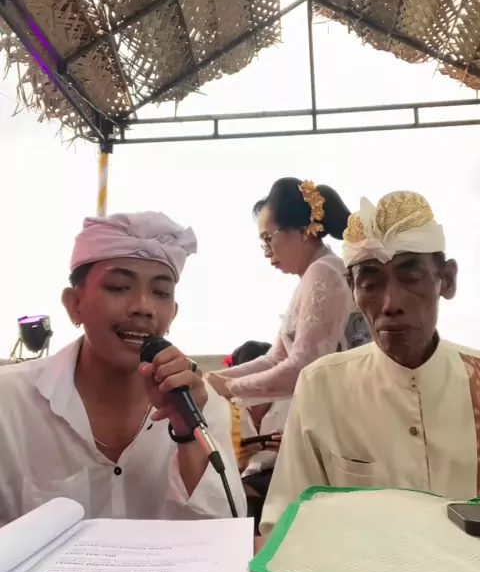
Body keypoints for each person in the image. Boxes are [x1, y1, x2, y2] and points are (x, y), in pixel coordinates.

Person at [0, 211, 246, 526]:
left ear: (173, 313)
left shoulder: (200, 404)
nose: (143, 306)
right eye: (118, 287)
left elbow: (225, 533)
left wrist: (188, 435)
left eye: (161, 292)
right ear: (74, 304)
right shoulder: (10, 402)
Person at [260, 189, 480, 535]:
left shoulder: (476, 380)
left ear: (447, 280)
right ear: (352, 290)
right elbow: (285, 526)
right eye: (370, 283)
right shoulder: (322, 388)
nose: (391, 303)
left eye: (411, 277)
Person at [207, 178, 370, 405]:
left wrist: (227, 387)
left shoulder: (324, 271)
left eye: (268, 239)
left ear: (303, 231)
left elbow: (304, 367)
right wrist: (213, 379)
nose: (266, 252)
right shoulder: (315, 273)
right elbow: (275, 359)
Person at [225, 340, 290, 532]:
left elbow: (310, 452)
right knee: (242, 495)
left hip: (281, 475)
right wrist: (238, 459)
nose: (258, 387)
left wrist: (289, 449)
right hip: (243, 480)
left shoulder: (292, 403)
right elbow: (217, 468)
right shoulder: (226, 409)